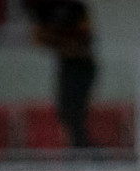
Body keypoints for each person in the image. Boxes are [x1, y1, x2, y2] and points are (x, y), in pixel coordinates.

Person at [23, 0, 97, 148]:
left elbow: (84, 37)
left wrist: (60, 39)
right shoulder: (45, 9)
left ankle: (81, 146)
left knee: (76, 110)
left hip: (83, 64)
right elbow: (38, 37)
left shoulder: (75, 8)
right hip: (67, 64)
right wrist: (65, 41)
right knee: (65, 111)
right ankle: (78, 146)